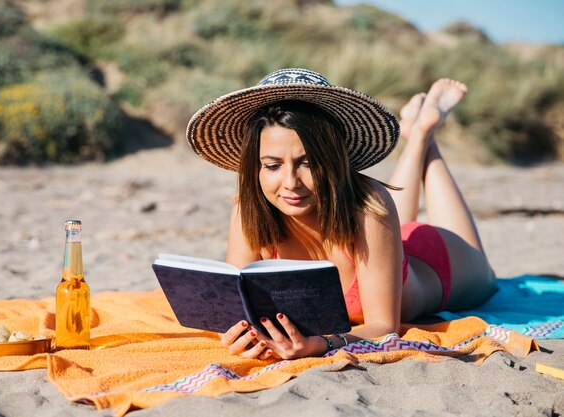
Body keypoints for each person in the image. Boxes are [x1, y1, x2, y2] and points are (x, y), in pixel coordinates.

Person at [186, 68, 497, 360]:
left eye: (307, 163)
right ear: (255, 167)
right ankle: (419, 131)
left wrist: (321, 344)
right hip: (380, 243)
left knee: (488, 281)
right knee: (377, 208)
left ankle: (424, 134)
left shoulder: (370, 207)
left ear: (332, 159)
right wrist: (239, 334)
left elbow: (385, 327)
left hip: (437, 261)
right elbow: (235, 311)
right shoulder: (249, 210)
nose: (291, 183)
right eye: (272, 165)